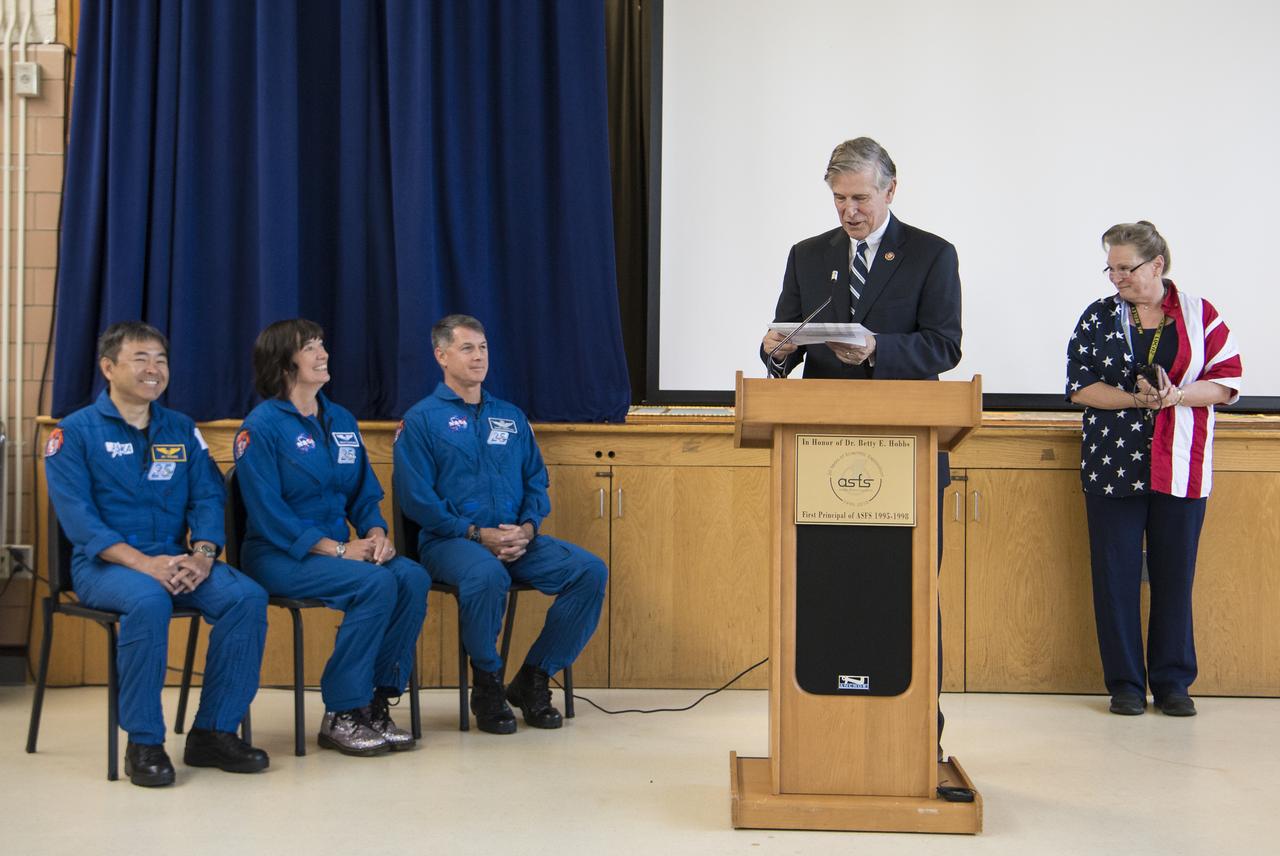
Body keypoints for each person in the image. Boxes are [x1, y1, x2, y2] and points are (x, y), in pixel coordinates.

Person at [759, 137, 962, 752]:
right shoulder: (808, 255)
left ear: (890, 191)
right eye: (839, 199)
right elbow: (786, 341)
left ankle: (917, 730)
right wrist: (773, 351)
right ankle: (820, 727)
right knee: (829, 588)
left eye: (861, 198)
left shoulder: (931, 254)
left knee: (904, 592)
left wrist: (878, 349)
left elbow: (945, 346)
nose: (849, 211)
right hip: (822, 456)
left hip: (907, 450)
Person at [44, 322, 270, 787]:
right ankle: (144, 741)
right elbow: (79, 519)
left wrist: (203, 555)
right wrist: (143, 565)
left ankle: (213, 731)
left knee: (245, 598)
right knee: (149, 601)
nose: (154, 369)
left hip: (178, 561)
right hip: (106, 567)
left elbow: (208, 497)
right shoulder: (74, 433)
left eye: (161, 359)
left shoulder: (181, 428)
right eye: (141, 359)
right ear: (108, 367)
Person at [394, 314, 607, 734]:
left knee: (589, 571)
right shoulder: (421, 420)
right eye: (467, 348)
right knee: (487, 575)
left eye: (483, 347)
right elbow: (417, 499)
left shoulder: (509, 416)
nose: (479, 357)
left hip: (515, 539)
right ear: (441, 355)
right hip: (450, 541)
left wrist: (527, 529)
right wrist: (476, 534)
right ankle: (487, 684)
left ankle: (533, 678)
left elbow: (535, 481)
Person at [1067, 221, 1241, 717]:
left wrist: (1176, 396)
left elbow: (1227, 384)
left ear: (1157, 265)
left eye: (1126, 268)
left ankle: (1172, 683)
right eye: (1111, 268)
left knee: (1174, 574)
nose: (1116, 278)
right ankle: (1124, 683)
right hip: (1111, 464)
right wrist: (1135, 400)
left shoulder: (1199, 314)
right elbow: (1079, 387)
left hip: (1180, 463)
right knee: (1114, 573)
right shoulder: (1098, 316)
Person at [234, 319, 431, 754]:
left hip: (340, 552)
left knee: (411, 577)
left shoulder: (340, 418)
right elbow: (269, 515)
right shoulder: (261, 426)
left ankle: (375, 701)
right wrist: (341, 550)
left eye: (322, 344)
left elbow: (362, 492)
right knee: (375, 583)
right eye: (310, 347)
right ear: (284, 362)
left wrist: (377, 533)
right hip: (279, 554)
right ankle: (342, 710)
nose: (323, 353)